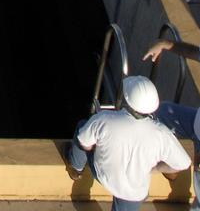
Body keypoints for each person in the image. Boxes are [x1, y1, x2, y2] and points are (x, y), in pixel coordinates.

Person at [67, 75, 190, 211]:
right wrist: (154, 169)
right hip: (133, 192)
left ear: (128, 100)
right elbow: (182, 164)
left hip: (104, 175)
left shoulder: (103, 119)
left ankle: (76, 170)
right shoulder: (162, 134)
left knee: (82, 126)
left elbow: (85, 143)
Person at [144, 35, 200, 210]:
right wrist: (166, 45)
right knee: (161, 113)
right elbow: (195, 52)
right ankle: (172, 167)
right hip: (197, 123)